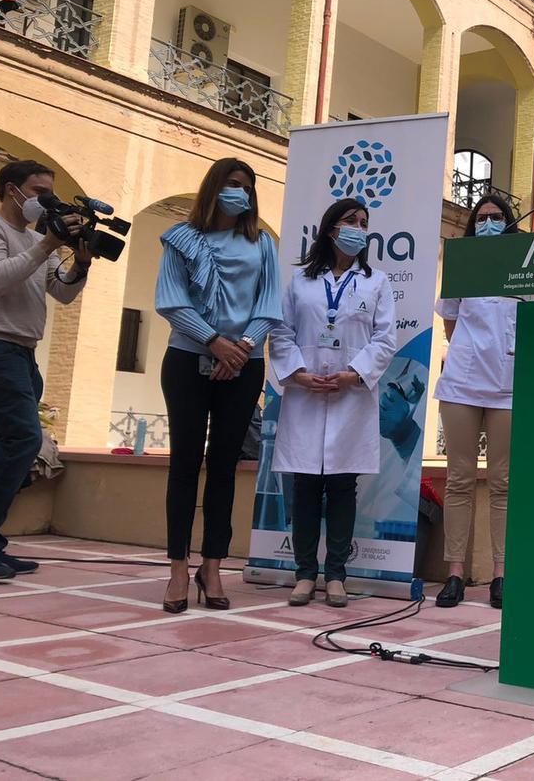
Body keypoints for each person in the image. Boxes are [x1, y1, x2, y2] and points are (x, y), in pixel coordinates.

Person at [155, 157, 281, 613]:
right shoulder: (181, 239)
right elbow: (170, 300)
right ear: (214, 187)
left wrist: (241, 347)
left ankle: (212, 567)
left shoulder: (262, 244)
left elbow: (270, 304)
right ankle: (176, 569)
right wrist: (212, 341)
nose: (240, 193)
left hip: (244, 363)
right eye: (232, 184)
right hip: (188, 358)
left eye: (246, 187)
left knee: (225, 467)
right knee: (184, 465)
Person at [270, 198, 397, 608]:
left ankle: (336, 575)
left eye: (364, 222)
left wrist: (354, 374)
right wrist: (299, 375)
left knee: (343, 486)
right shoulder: (301, 282)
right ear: (330, 229)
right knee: (306, 486)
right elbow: (282, 333)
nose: (359, 228)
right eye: (351, 221)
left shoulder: (376, 281)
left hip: (350, 396)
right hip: (307, 393)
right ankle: (305, 574)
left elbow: (384, 339)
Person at [0, 161, 94, 581]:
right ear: (11, 190)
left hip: (23, 352)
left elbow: (62, 293)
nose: (43, 199)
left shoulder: (36, 239)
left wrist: (80, 265)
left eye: (48, 192)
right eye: (37, 191)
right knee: (24, 440)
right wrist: (46, 246)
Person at [433, 194, 517, 609]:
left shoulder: (526, 263)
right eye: (481, 218)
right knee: (460, 479)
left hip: (508, 385)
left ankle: (502, 573)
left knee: (503, 481)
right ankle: (454, 573)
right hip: (463, 385)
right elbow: (450, 322)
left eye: (496, 217)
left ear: (509, 221)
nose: (488, 223)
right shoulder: (462, 263)